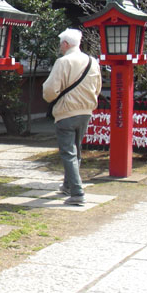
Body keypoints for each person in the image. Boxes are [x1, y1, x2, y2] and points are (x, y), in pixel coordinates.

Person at [42, 28, 102, 206]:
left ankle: (77, 192)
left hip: (67, 111)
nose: (60, 47)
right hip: (86, 111)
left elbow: (51, 89)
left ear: (66, 44)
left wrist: (49, 98)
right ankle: (68, 185)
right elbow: (97, 87)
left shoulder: (63, 62)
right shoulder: (93, 61)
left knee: (68, 152)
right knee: (76, 149)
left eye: (61, 44)